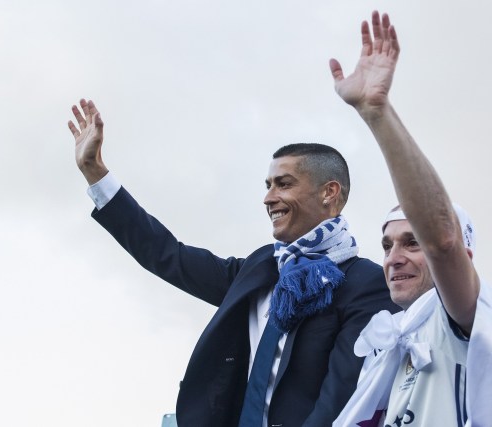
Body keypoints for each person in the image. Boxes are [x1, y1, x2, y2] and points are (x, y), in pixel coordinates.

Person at [67, 107, 398, 425]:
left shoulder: (367, 284)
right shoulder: (260, 268)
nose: (269, 198)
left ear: (329, 192)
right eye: (268, 186)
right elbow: (168, 255)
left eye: (284, 184)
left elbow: (343, 400)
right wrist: (96, 174)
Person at [329, 11, 492, 427]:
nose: (393, 258)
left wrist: (377, 114)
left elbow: (443, 242)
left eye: (411, 242)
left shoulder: (463, 317)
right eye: (387, 245)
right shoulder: (388, 340)